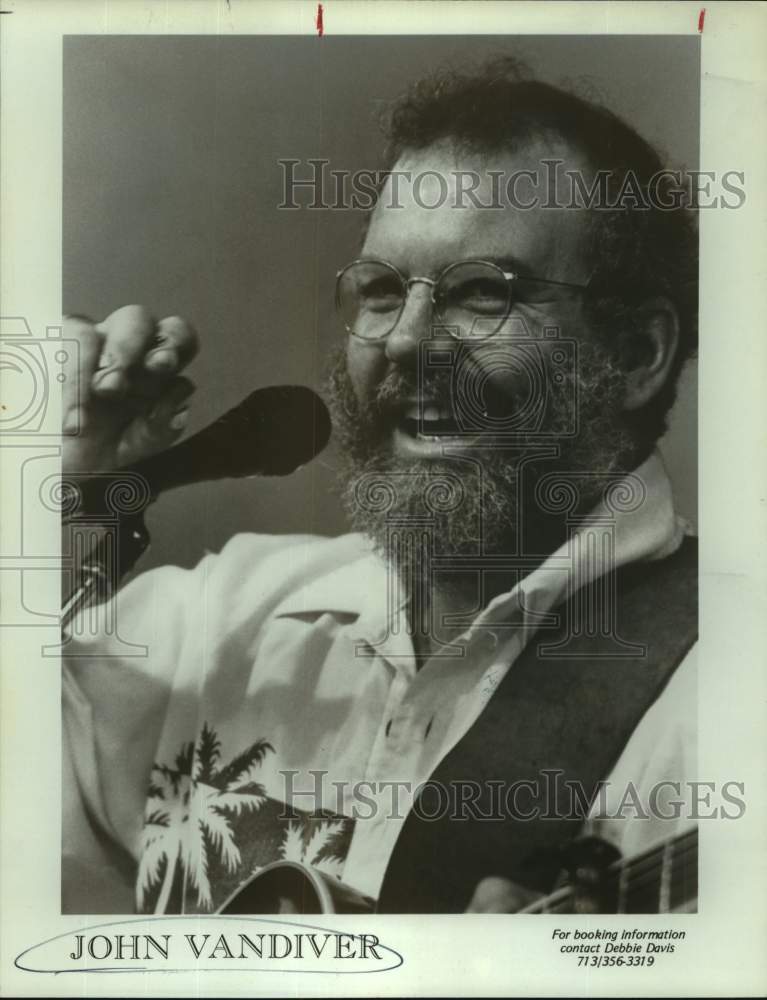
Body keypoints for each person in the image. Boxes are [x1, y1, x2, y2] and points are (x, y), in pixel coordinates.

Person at [61, 58, 698, 915]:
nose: (404, 342)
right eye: (384, 290)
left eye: (482, 294)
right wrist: (58, 485)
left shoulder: (722, 697)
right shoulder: (214, 622)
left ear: (634, 355)